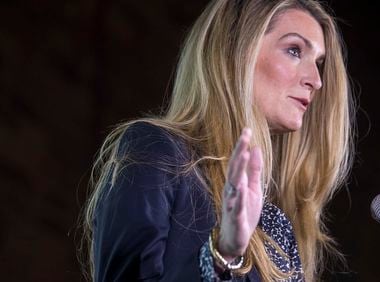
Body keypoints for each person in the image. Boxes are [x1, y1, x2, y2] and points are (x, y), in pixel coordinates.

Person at [81, 0, 353, 281]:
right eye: (294, 50)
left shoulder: (276, 227)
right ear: (237, 51)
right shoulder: (157, 150)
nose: (316, 80)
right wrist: (223, 255)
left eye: (318, 63)